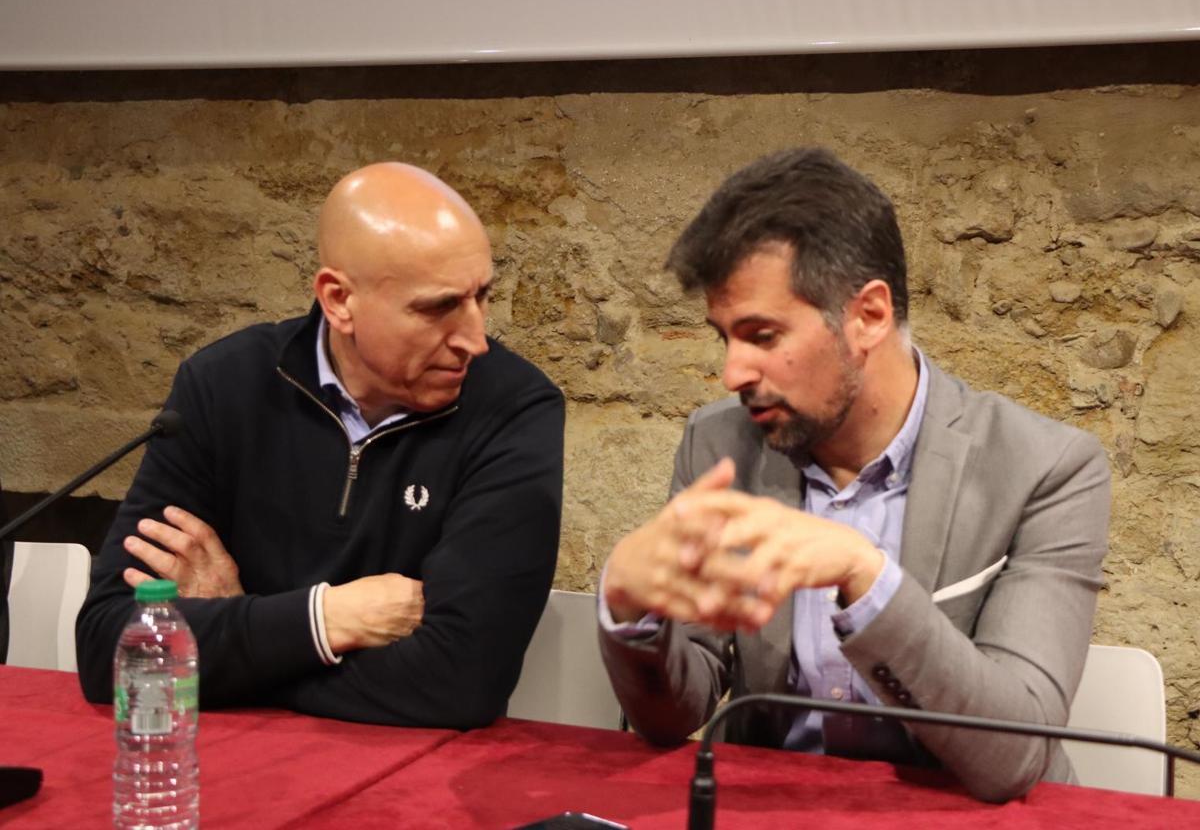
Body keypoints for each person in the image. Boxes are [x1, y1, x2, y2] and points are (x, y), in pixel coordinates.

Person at [598, 148, 1110, 802]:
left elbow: (1013, 756)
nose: (733, 374)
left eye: (762, 335)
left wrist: (864, 577)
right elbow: (679, 713)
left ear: (867, 315)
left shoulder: (1047, 468)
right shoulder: (719, 442)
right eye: (724, 338)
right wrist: (633, 612)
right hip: (772, 810)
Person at [76, 163, 565, 728]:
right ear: (338, 300)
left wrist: (238, 629)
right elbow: (108, 652)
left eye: (482, 296)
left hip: (407, 785)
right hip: (227, 767)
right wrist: (325, 620)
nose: (475, 340)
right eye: (439, 307)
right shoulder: (222, 386)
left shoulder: (514, 406)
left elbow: (461, 682)